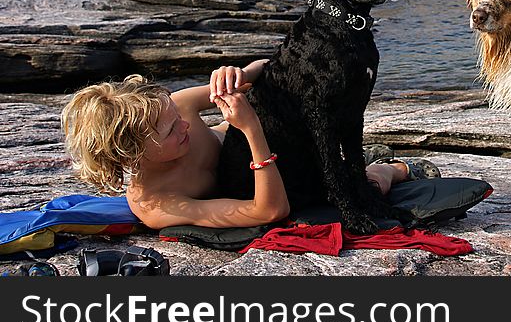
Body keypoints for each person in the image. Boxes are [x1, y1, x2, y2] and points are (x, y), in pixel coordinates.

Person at [61, 59, 434, 230]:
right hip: (260, 170)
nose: (182, 124)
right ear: (132, 152)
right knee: (365, 187)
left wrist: (240, 73)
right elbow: (268, 211)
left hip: (268, 143)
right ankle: (390, 168)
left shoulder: (178, 106)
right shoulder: (157, 204)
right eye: (170, 130)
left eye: (176, 116)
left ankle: (357, 158)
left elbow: (269, 71)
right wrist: (252, 131)